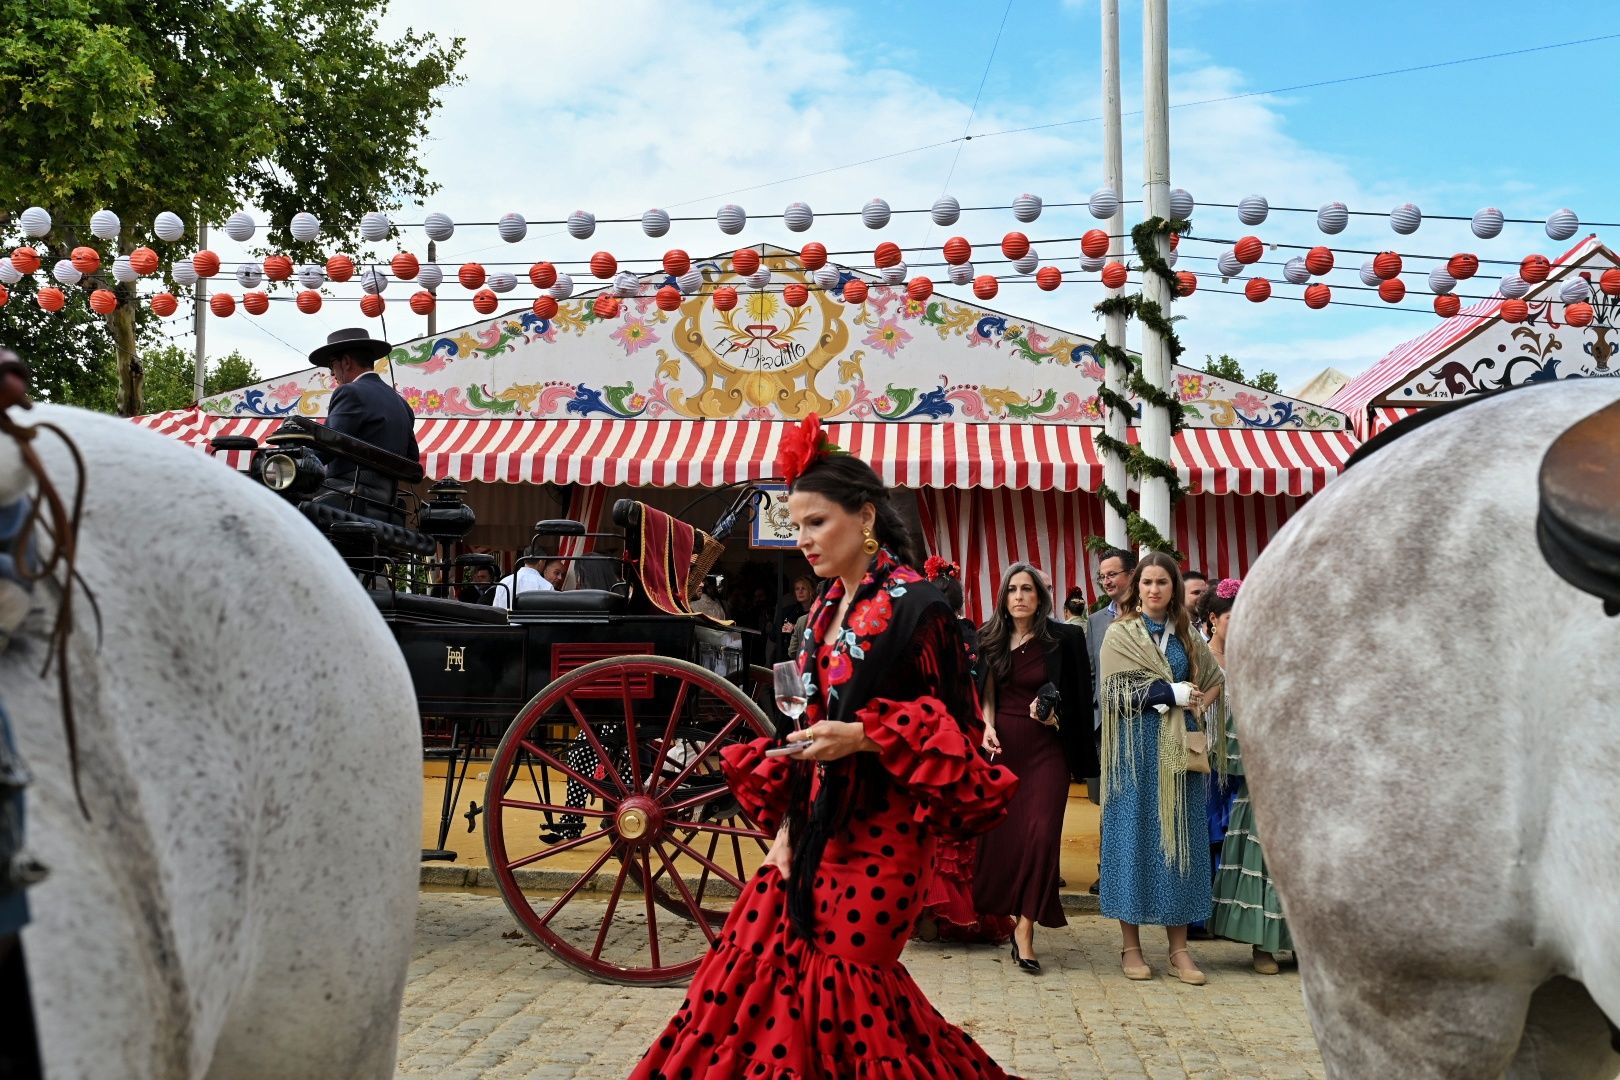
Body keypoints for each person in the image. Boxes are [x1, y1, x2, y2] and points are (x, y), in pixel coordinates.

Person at [631, 414, 1018, 1080]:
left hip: (887, 838)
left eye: (816, 522)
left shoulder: (917, 606)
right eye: (796, 524)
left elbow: (955, 732)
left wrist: (866, 737)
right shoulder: (817, 612)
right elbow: (797, 728)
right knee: (765, 978)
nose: (803, 538)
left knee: (854, 992)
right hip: (812, 830)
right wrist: (783, 827)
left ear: (865, 517)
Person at [1098, 552, 1226, 985]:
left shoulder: (1186, 636)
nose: (1154, 590)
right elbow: (1114, 694)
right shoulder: (1120, 634)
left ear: (1174, 589)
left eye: (1163, 583)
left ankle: (1179, 950)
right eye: (1148, 582)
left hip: (1176, 755)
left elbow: (1214, 679)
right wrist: (1168, 693)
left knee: (1181, 842)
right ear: (1138, 587)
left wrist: (1194, 706)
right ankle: (1130, 947)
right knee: (1133, 837)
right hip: (1133, 752)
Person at [971, 561, 1094, 973]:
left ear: (1040, 598)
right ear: (1003, 597)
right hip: (1002, 745)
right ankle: (1006, 915)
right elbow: (986, 689)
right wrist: (986, 725)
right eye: (1012, 590)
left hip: (1048, 749)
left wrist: (1054, 718)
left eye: (1027, 589)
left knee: (1042, 834)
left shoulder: (1066, 639)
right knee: (1007, 838)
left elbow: (1079, 700)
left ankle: (1025, 930)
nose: (1020, 596)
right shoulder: (988, 637)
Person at [912, 556, 1009, 945]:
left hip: (932, 735)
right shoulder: (973, 636)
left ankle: (929, 915)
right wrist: (987, 726)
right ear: (960, 601)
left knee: (932, 822)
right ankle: (965, 913)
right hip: (966, 735)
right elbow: (985, 691)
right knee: (963, 826)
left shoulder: (920, 638)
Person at [1202, 578, 1293, 974]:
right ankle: (1263, 946)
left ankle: (1300, 945)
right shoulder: (1236, 662)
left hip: (1298, 781)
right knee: (1262, 859)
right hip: (1260, 778)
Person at [308, 328, 418, 521]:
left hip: (348, 495)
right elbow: (411, 457)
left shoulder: (350, 392)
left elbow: (325, 447)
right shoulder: (402, 404)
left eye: (331, 365)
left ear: (346, 362)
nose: (332, 373)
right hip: (386, 502)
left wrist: (297, 462)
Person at [1086, 546, 1137, 893]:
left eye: (1112, 574)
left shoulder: (1149, 617)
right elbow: (1091, 672)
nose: (1106, 581)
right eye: (1102, 575)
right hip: (1105, 725)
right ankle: (1109, 873)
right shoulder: (1095, 621)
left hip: (1143, 722)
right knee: (1109, 802)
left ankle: (1134, 875)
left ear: (1130, 575)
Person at [770, 574, 816, 661]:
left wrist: (795, 628)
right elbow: (773, 636)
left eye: (804, 588)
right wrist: (782, 630)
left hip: (808, 659)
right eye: (797, 589)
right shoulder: (787, 611)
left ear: (811, 591)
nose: (800, 592)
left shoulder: (817, 612)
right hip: (785, 659)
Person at [1183, 570, 1210, 636]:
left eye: (1205, 593)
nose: (1203, 597)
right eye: (1196, 593)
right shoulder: (1171, 625)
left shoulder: (1211, 623)